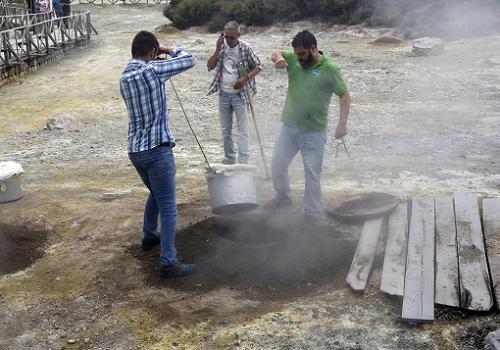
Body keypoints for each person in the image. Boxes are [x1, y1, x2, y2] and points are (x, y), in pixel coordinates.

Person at [120, 31, 197, 278]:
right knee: (168, 206)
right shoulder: (152, 71)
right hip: (157, 150)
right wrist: (169, 49)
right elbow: (189, 59)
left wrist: (155, 57)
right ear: (152, 52)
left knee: (155, 193)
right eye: (155, 52)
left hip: (136, 150)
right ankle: (168, 262)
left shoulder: (124, 77)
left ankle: (149, 236)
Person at [270, 29, 351, 220]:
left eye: (302, 54)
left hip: (313, 132)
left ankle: (312, 214)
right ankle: (283, 197)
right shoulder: (294, 59)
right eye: (296, 54)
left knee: (312, 174)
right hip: (289, 127)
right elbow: (276, 52)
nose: (298, 59)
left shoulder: (330, 69)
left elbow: (344, 95)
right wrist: (278, 58)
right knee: (277, 164)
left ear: (313, 48)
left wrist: (342, 124)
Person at [207, 21, 262, 165]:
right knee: (226, 130)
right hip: (224, 94)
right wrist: (217, 48)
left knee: (242, 130)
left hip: (241, 94)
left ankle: (243, 160)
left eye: (232, 37)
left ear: (238, 34)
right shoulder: (222, 48)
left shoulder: (246, 48)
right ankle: (230, 158)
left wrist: (244, 79)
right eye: (227, 37)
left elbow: (258, 67)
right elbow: (210, 65)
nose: (229, 40)